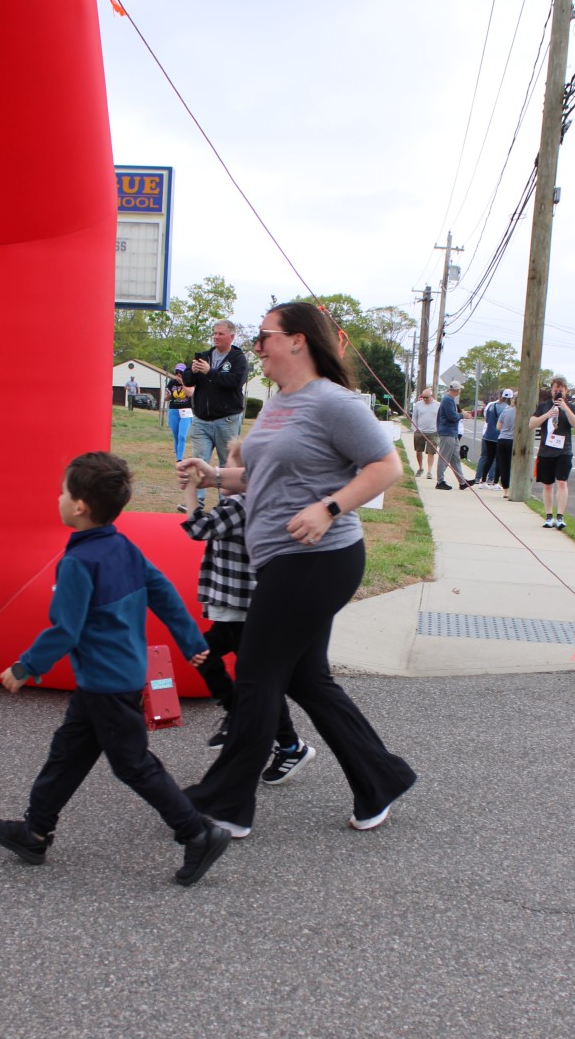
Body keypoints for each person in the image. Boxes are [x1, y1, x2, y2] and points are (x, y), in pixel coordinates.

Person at [176, 301, 416, 837]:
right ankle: (380, 780)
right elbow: (262, 475)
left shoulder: (334, 402)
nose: (256, 345)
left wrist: (330, 507)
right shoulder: (279, 401)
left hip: (317, 559)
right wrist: (213, 475)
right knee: (307, 679)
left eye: (264, 335)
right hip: (283, 559)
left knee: (257, 674)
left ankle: (225, 804)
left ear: (298, 340)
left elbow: (387, 467)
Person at [0, 451, 232, 887]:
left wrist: (26, 666)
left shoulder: (77, 563)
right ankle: (35, 833)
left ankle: (198, 833)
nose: (58, 498)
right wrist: (192, 641)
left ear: (79, 506)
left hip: (107, 685)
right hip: (114, 678)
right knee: (67, 755)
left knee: (133, 765)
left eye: (63, 492)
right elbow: (164, 592)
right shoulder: (123, 548)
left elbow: (66, 629)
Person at [180, 443, 314, 783]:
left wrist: (191, 490)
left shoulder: (241, 504)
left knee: (247, 677)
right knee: (234, 670)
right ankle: (247, 719)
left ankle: (287, 743)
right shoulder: (244, 502)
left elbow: (199, 529)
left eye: (227, 467)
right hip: (236, 608)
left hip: (241, 609)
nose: (220, 474)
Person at [187, 319, 247, 507]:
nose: (216, 337)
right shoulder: (205, 356)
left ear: (231, 337)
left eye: (220, 334)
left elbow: (236, 382)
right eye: (214, 333)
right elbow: (188, 381)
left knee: (226, 464)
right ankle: (197, 504)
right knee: (199, 460)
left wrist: (210, 372)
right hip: (201, 420)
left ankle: (226, 505)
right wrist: (193, 371)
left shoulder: (238, 359)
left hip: (226, 420)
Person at [530, 375, 575, 528]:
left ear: (565, 391)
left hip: (564, 451)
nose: (557, 392)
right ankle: (549, 516)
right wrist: (547, 415)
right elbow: (531, 424)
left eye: (561, 390)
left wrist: (565, 408)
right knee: (547, 484)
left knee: (562, 482)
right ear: (551, 391)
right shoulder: (543, 406)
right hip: (546, 451)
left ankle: (560, 516)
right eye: (555, 389)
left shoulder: (571, 407)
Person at [435, 383, 473, 490]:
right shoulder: (447, 400)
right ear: (456, 390)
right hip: (447, 432)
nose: (460, 391)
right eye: (459, 389)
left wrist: (460, 415)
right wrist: (462, 415)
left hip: (452, 433)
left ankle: (462, 482)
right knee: (444, 458)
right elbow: (451, 416)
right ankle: (440, 481)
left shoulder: (450, 400)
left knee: (455, 458)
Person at [165, 364, 194, 462]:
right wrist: (168, 396)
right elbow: (166, 398)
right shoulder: (171, 383)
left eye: (181, 372)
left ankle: (179, 459)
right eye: (177, 372)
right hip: (174, 410)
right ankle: (178, 459)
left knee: (182, 436)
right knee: (176, 436)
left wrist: (182, 383)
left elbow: (190, 393)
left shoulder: (190, 381)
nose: (178, 374)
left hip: (186, 411)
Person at [475, 394, 504, 487]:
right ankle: (491, 479)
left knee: (485, 457)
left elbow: (486, 419)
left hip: (486, 434)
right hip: (498, 435)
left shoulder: (491, 405)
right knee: (495, 459)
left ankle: (479, 478)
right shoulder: (505, 407)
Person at [411, 387, 439, 478]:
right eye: (423, 397)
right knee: (419, 451)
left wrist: (438, 429)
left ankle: (429, 472)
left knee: (431, 452)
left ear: (431, 396)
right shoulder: (418, 405)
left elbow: (440, 418)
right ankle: (420, 468)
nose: (425, 399)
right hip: (419, 431)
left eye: (426, 397)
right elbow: (414, 417)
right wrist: (415, 429)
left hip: (433, 432)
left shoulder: (437, 405)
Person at [495, 389, 516, 498]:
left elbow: (498, 427)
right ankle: (512, 488)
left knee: (503, 465)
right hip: (513, 440)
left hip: (502, 439)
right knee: (512, 465)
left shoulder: (505, 411)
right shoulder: (521, 414)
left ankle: (505, 491)